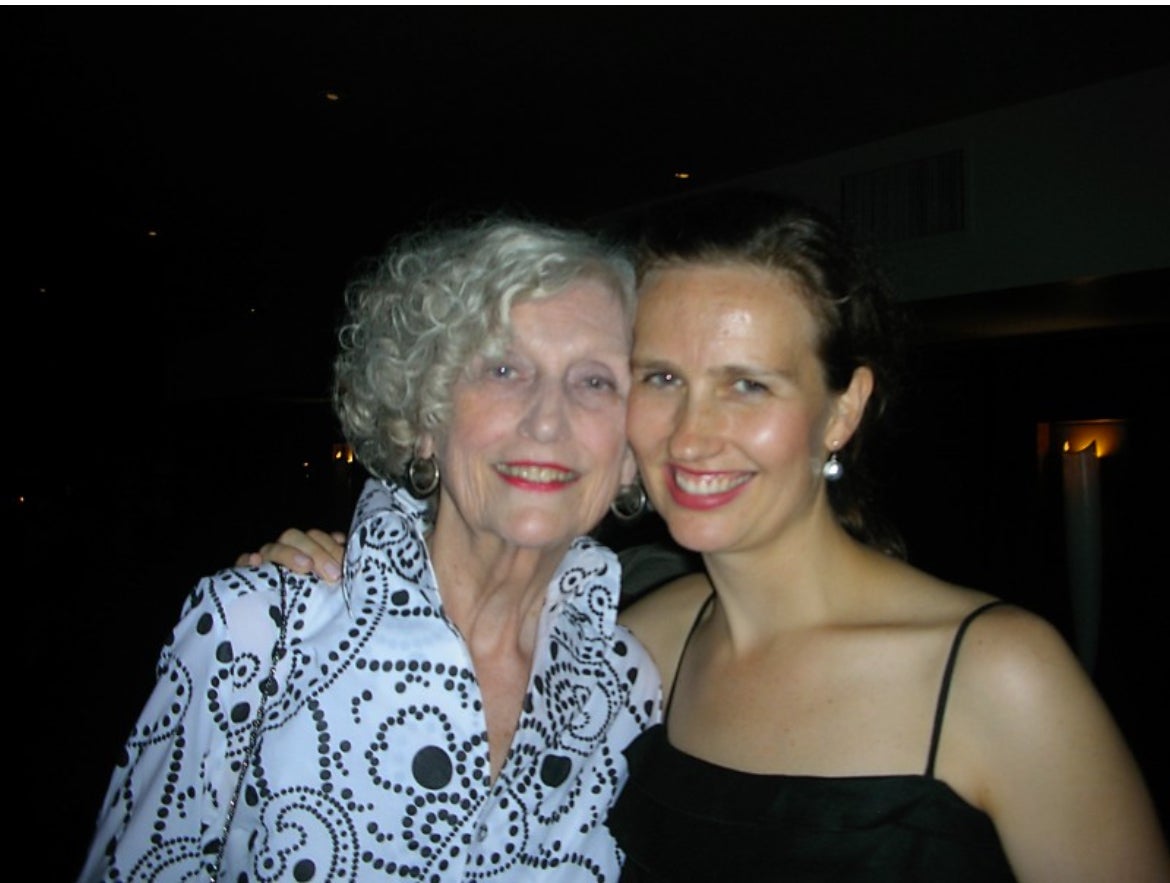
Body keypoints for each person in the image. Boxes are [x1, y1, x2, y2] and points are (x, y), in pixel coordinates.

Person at [258, 193, 1170, 881]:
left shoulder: (1001, 674)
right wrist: (333, 572)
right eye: (661, 376)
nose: (692, 436)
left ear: (842, 409)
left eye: (748, 384)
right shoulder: (636, 645)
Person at [76, 216, 661, 882]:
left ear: (629, 454)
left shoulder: (627, 687)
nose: (548, 418)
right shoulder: (257, 633)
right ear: (422, 421)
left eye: (594, 382)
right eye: (503, 368)